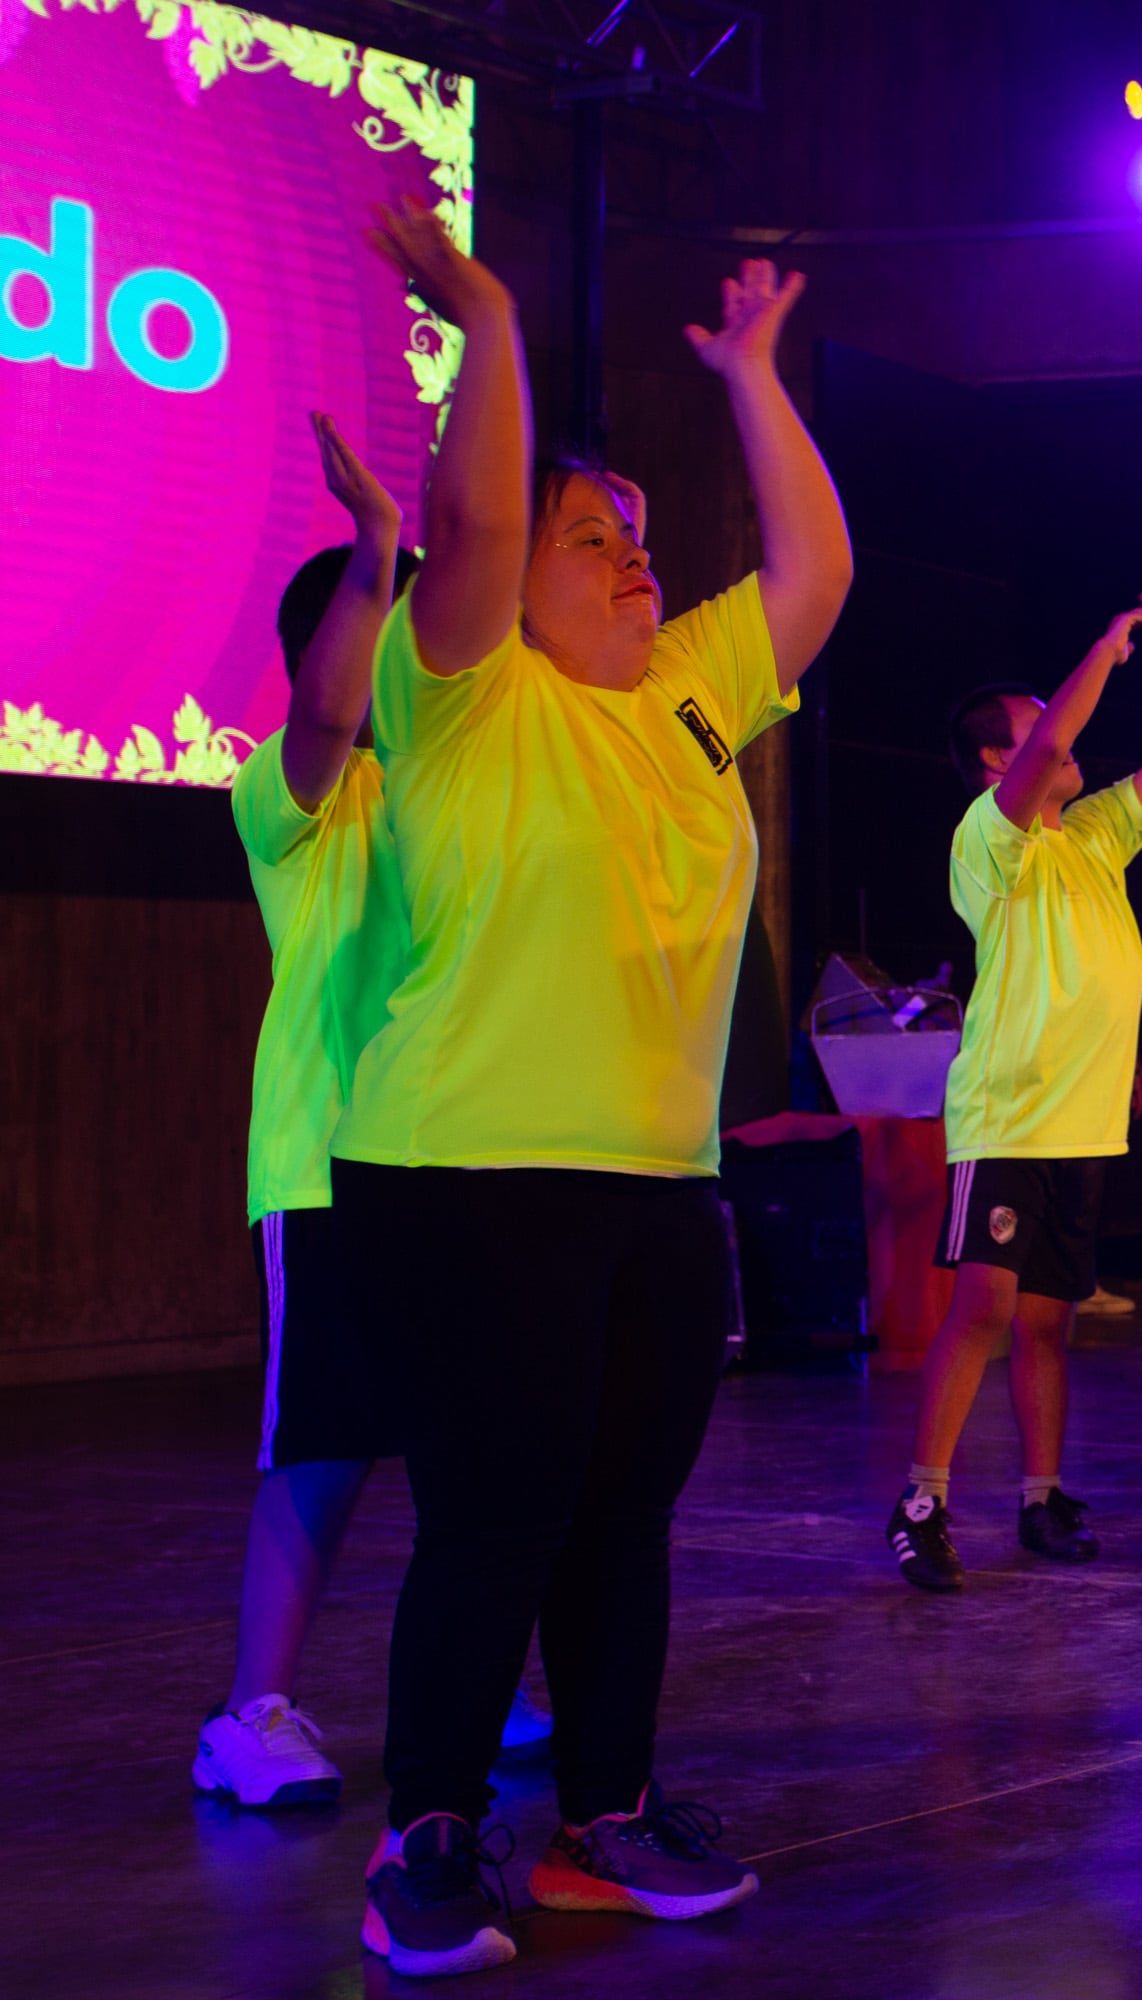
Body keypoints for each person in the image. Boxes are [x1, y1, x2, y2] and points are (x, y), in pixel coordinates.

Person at [330, 202, 849, 1976]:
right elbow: (473, 515)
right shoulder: (467, 694)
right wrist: (486, 317)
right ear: (514, 584)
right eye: (592, 540)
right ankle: (430, 1833)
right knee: (498, 1517)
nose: (633, 561)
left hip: (649, 1182)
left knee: (624, 1515)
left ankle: (603, 1818)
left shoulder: (682, 699)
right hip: (466, 1174)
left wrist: (756, 379)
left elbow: (814, 576)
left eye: (635, 536)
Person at [200, 419, 553, 1812]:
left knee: (482, 1446)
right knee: (326, 1448)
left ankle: (485, 1686)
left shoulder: (437, 794)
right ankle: (249, 1715)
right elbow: (338, 715)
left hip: (451, 1151)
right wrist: (378, 555)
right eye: (377, 632)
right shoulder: (294, 794)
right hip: (327, 1166)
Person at [887, 586, 1142, 1589]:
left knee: (1048, 1321)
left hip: (1081, 1125)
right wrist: (1107, 649)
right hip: (1008, 1111)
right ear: (998, 760)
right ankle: (923, 1499)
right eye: (1039, 722)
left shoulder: (1098, 834)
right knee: (981, 1307)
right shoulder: (990, 839)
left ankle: (1041, 1495)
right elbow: (1041, 756)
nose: (1063, 736)